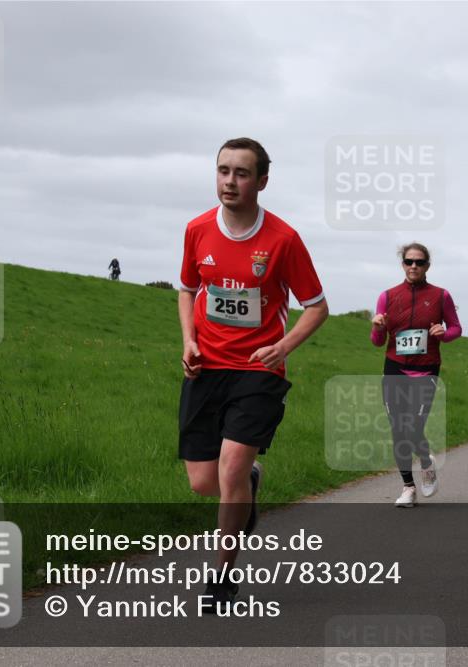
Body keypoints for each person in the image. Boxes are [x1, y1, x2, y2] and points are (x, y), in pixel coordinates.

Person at [177, 137, 328, 610]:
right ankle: (251, 481)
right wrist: (188, 340)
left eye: (241, 173)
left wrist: (282, 347)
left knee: (230, 469)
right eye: (223, 170)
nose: (230, 181)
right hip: (206, 368)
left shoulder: (283, 239)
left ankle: (222, 576)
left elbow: (317, 307)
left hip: (259, 371)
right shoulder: (197, 229)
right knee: (204, 483)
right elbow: (187, 289)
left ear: (261, 181)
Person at [371, 243, 462, 507]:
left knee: (413, 427)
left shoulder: (440, 296)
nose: (414, 266)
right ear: (403, 264)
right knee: (398, 430)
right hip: (394, 368)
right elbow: (377, 342)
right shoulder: (387, 296)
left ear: (427, 266)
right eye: (409, 261)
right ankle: (408, 487)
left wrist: (444, 334)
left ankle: (425, 462)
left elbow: (456, 328)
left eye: (419, 262)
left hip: (426, 369)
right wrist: (378, 327)